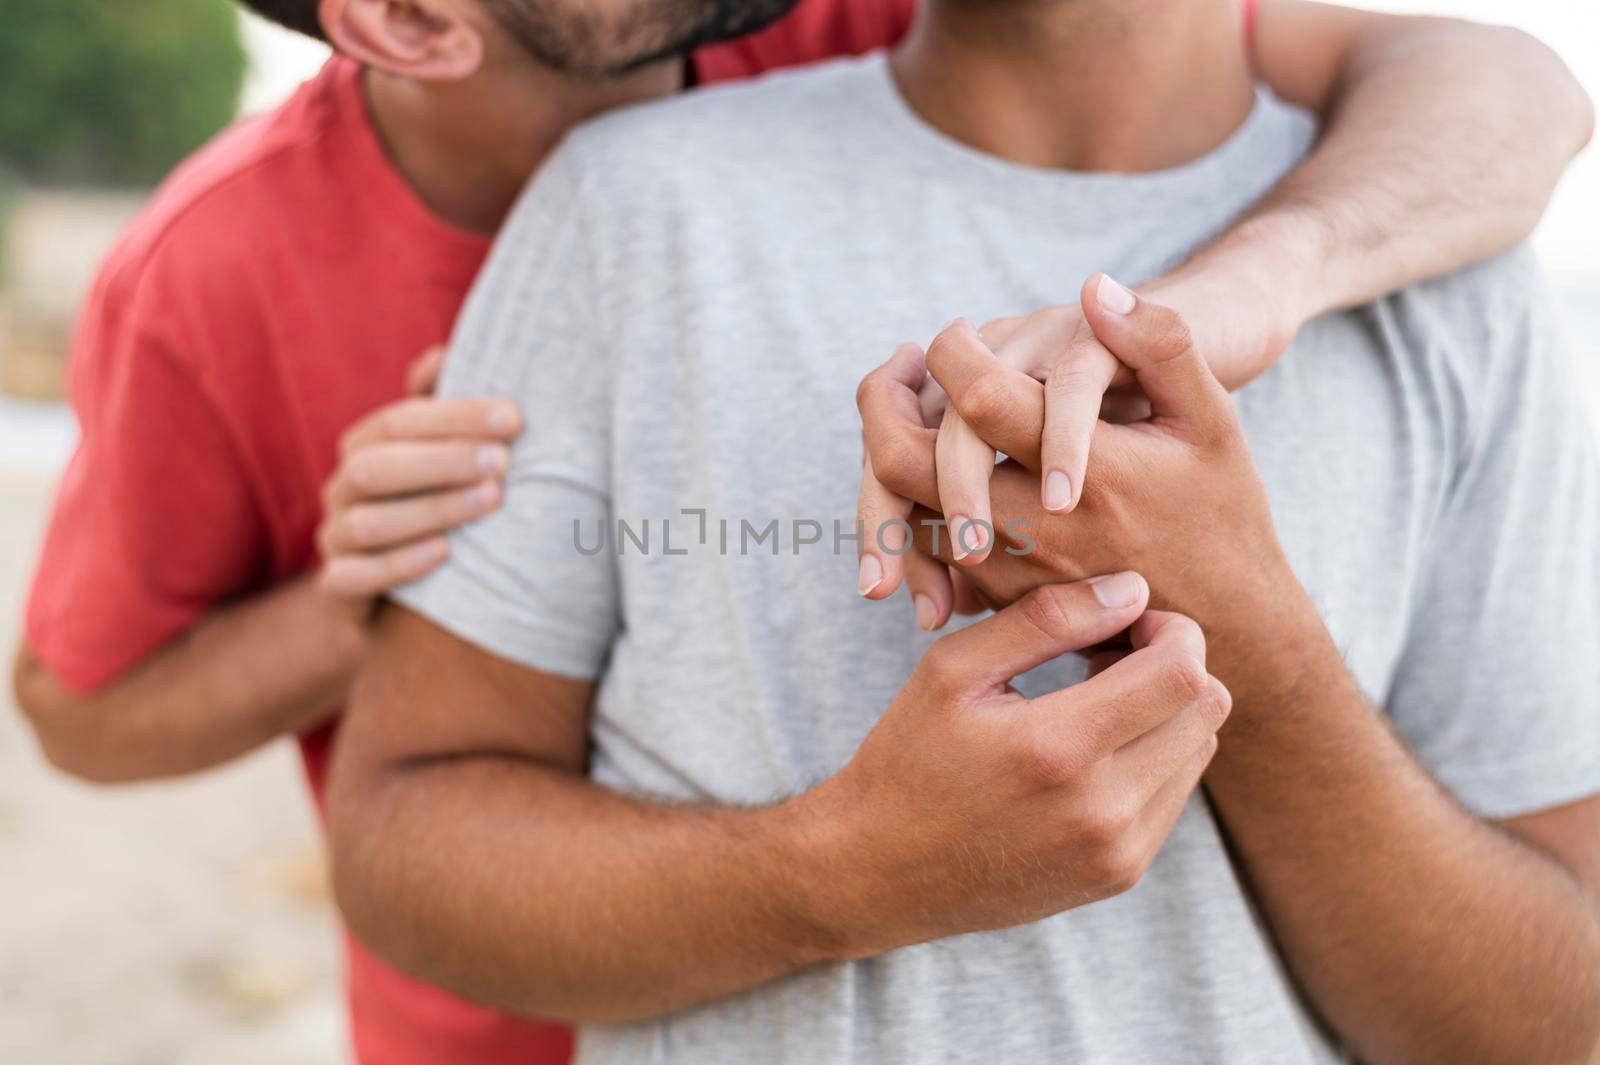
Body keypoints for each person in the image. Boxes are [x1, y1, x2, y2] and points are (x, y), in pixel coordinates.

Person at [8, 0, 1592, 1063]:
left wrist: (1224, 332)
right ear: (419, 20)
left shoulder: (1442, 269)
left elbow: (1514, 86)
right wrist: (372, 580)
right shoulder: (327, 252)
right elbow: (101, 716)